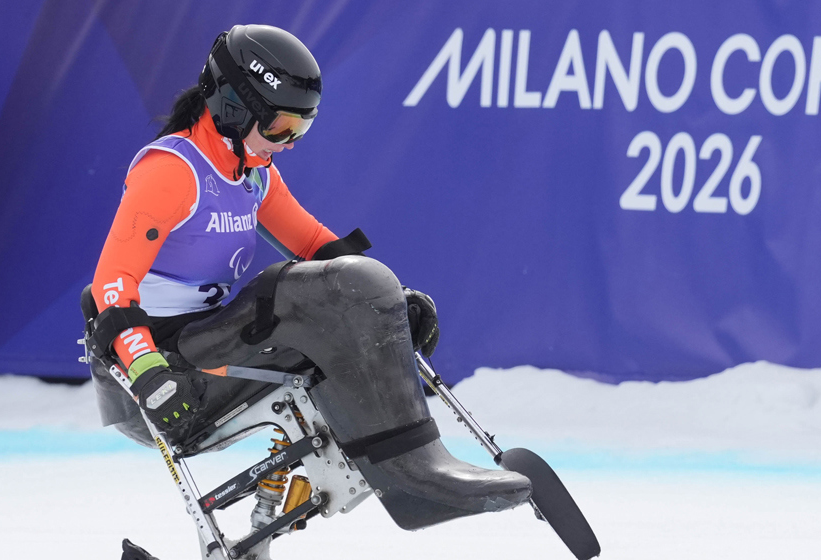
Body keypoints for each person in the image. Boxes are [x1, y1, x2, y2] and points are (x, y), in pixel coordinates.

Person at [85, 25, 530, 532]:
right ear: (234, 106)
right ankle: (415, 473)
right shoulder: (172, 170)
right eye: (280, 127)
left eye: (302, 129)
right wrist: (146, 370)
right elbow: (111, 285)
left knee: (340, 297)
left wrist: (388, 302)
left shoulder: (251, 170)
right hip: (163, 370)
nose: (289, 143)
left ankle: (414, 466)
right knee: (289, 290)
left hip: (205, 342)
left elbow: (319, 246)